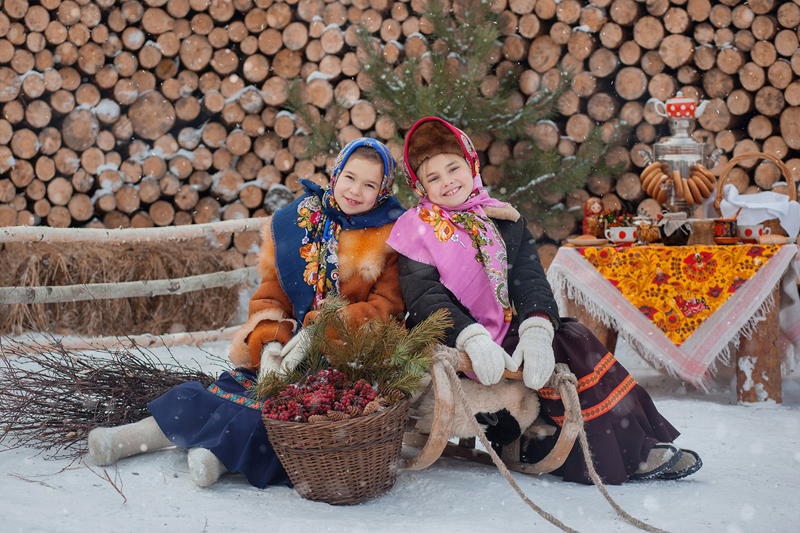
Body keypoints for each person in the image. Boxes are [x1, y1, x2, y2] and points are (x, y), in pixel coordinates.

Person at [387, 117, 702, 484]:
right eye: (433, 177)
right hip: (452, 335)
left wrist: (536, 327)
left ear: (471, 164)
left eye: (453, 167)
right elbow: (424, 295)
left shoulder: (504, 219)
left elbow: (529, 279)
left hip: (505, 327)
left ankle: (633, 442)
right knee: (567, 346)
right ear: (421, 186)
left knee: (574, 338)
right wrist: (471, 338)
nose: (447, 181)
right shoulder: (417, 227)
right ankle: (620, 453)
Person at [88, 138, 406, 488]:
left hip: (342, 358)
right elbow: (271, 295)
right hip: (287, 351)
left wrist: (322, 332)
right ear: (336, 174)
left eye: (369, 185)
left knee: (282, 415)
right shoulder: (297, 222)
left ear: (383, 190)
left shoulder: (390, 238)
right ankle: (133, 437)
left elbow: (385, 310)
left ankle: (218, 458)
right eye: (350, 177)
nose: (356, 191)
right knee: (226, 389)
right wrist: (270, 342)